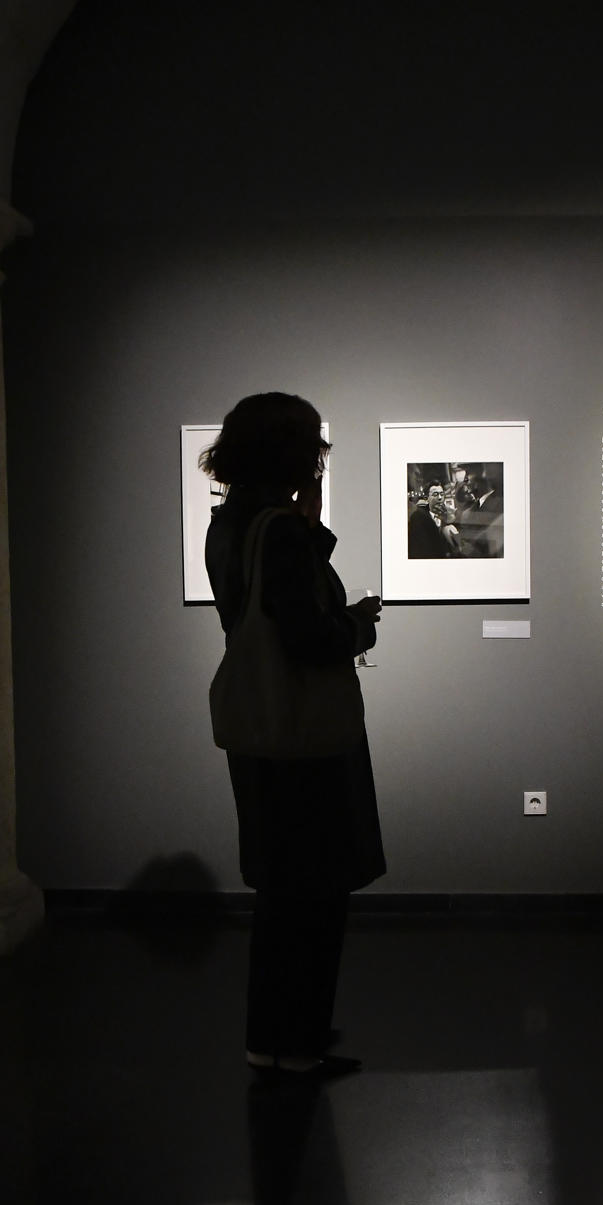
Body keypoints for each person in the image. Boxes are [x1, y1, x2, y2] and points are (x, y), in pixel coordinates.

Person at [203, 392, 385, 1081]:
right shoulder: (279, 528)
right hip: (303, 734)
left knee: (280, 892)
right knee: (313, 893)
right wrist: (359, 626)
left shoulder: (230, 523)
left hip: (260, 729)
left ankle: (270, 1038)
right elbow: (311, 637)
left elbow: (263, 613)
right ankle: (298, 1044)